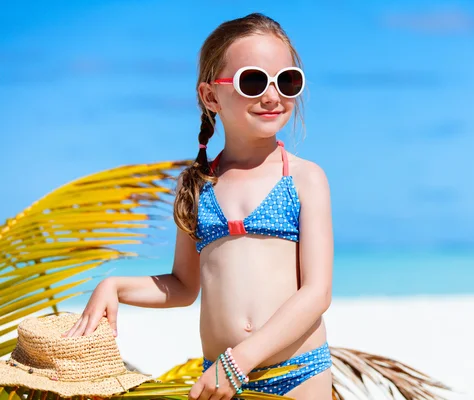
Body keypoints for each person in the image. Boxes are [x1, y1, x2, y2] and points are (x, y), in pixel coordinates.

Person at [63, 12, 334, 400]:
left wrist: (240, 360)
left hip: (297, 374)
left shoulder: (304, 179)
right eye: (253, 81)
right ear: (210, 96)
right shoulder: (197, 185)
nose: (272, 96)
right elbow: (185, 286)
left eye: (287, 81)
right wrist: (116, 285)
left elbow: (316, 293)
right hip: (221, 379)